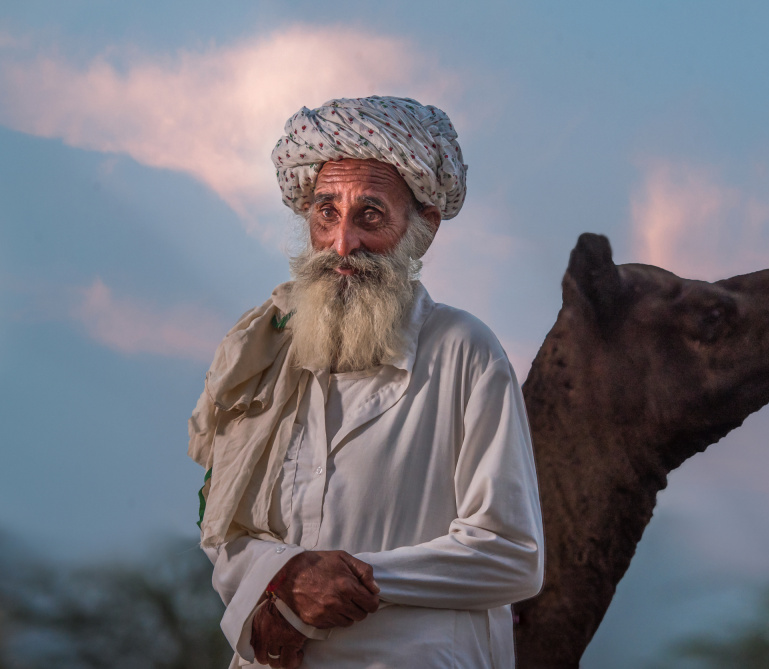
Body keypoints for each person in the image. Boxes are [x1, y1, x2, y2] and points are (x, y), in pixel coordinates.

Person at [188, 96, 544, 669]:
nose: (342, 242)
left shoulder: (464, 352)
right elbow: (223, 526)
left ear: (421, 229)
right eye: (327, 212)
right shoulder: (264, 353)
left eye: (370, 216)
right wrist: (278, 584)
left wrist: (325, 585)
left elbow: (512, 554)